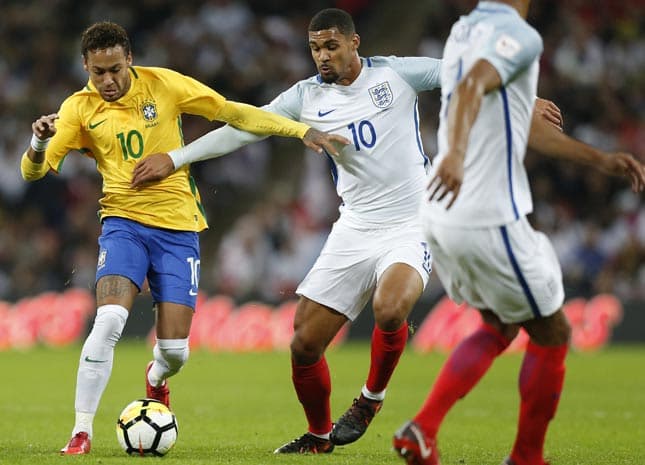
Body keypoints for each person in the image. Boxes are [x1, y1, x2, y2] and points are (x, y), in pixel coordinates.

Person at [131, 8, 563, 455]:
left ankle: (369, 400)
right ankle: (319, 436)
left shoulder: (396, 74)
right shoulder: (305, 97)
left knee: (391, 307)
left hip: (413, 220)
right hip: (354, 226)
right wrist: (176, 159)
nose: (322, 55)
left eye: (331, 46)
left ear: (354, 44)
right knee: (303, 344)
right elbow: (244, 128)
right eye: (315, 47)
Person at [20, 21, 346, 456]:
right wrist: (39, 143)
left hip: (178, 231)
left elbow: (235, 113)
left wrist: (301, 130)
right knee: (110, 321)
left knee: (175, 353)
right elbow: (33, 171)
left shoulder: (165, 86)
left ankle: (155, 380)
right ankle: (81, 432)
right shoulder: (79, 109)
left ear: (129, 59)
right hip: (122, 225)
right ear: (86, 66)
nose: (108, 81)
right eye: (98, 73)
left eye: (115, 69)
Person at [392, 2, 645, 465]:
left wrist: (599, 159)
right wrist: (456, 155)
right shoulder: (518, 35)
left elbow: (516, 123)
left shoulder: (464, 31)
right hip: (485, 213)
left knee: (502, 324)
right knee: (553, 331)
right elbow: (471, 86)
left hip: (442, 211)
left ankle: (422, 430)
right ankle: (526, 456)